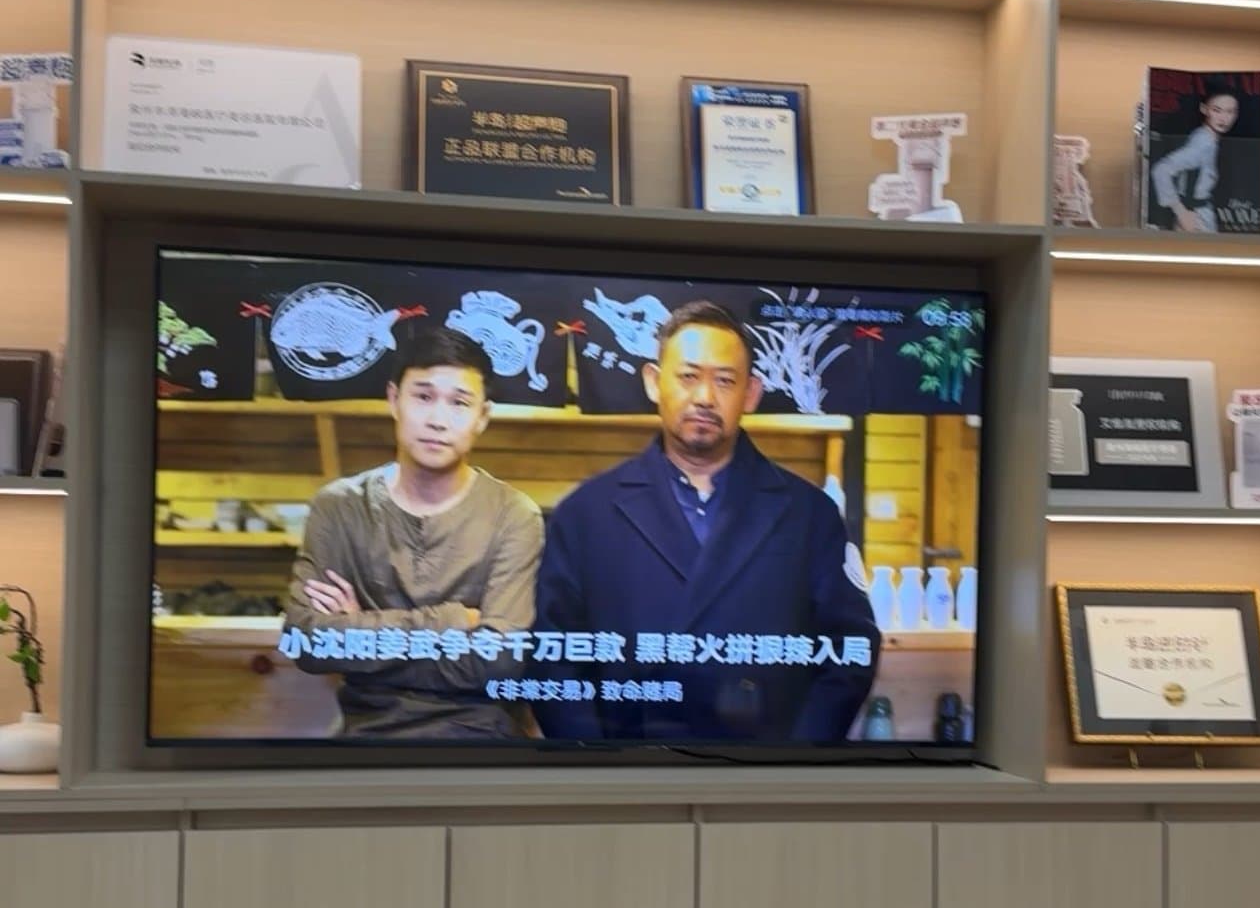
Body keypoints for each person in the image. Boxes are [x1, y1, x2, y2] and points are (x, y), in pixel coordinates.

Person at [534, 300, 880, 742]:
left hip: (762, 765)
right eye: (688, 376)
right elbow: (551, 655)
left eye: (725, 380)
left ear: (751, 394)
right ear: (654, 382)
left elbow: (851, 649)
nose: (704, 397)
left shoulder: (810, 514)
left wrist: (796, 759)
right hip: (628, 765)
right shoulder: (586, 513)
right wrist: (595, 761)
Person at [281, 327, 543, 740]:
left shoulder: (514, 515)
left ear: (482, 416)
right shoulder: (339, 506)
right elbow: (305, 641)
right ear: (393, 399)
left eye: (459, 403)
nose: (437, 420)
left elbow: (499, 662)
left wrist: (358, 629)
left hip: (481, 738)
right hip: (367, 736)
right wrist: (452, 621)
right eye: (423, 397)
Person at [1150, 77, 1240, 234]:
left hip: (1200, 214)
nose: (1223, 118)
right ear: (1204, 109)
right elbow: (1161, 170)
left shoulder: (1208, 138)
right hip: (1196, 218)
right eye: (1216, 110)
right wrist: (1181, 212)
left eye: (1230, 112)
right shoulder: (1203, 142)